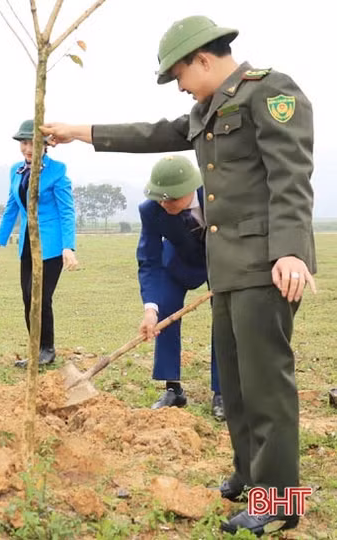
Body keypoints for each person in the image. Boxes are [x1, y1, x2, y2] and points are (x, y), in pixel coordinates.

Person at [41, 15, 316, 535]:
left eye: (180, 76)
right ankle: (248, 475)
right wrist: (78, 132)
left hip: (267, 267)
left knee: (266, 386)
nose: (181, 87)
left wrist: (290, 252)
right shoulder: (205, 111)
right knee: (236, 383)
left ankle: (282, 501)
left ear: (203, 60)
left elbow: (292, 176)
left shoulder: (270, 92)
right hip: (227, 271)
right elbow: (151, 134)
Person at [137, 155, 223, 421]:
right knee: (164, 311)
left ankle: (222, 392)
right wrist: (150, 308)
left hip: (222, 262)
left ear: (190, 189)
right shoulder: (150, 210)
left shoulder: (218, 194)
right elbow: (149, 260)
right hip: (177, 262)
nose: (164, 204)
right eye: (159, 198)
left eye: (171, 199)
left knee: (225, 317)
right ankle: (173, 390)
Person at [0, 119, 78, 369]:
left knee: (41, 297)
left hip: (51, 245)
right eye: (24, 143)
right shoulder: (16, 170)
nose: (28, 149)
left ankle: (47, 349)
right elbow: (11, 208)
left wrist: (68, 247)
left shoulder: (57, 171)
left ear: (45, 145)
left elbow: (67, 211)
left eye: (34, 143)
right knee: (28, 296)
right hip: (27, 243)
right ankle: (36, 348)